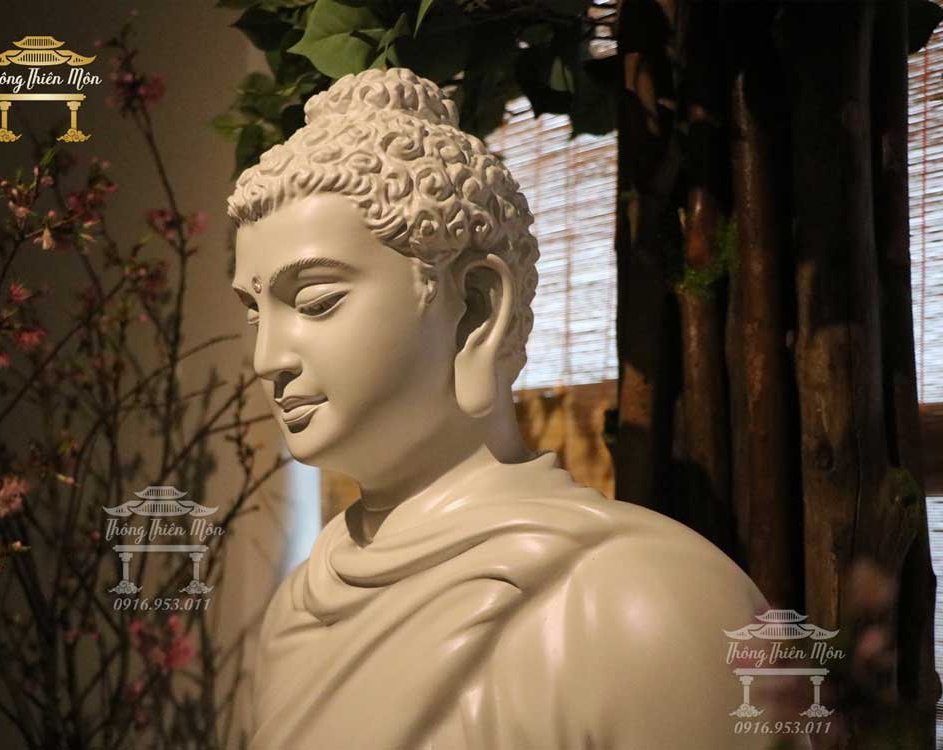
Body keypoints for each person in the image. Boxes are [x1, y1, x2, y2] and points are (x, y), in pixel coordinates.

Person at [228, 67, 776, 749]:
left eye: (316, 302)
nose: (268, 358)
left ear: (477, 310)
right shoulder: (297, 609)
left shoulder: (647, 602)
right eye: (255, 314)